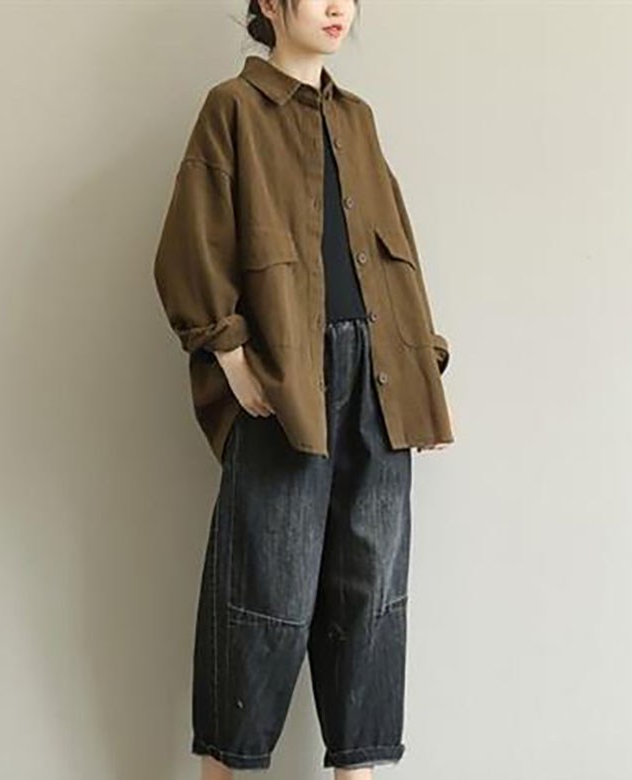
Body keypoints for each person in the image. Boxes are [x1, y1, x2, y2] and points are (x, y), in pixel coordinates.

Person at [152, 1, 455, 777]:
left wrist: (419, 368)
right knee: (262, 590)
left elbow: (397, 253)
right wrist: (231, 357)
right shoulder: (232, 108)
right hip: (286, 380)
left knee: (371, 591)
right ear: (267, 3)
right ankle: (224, 769)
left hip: (379, 381)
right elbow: (191, 242)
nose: (337, 7)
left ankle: (357, 771)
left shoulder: (358, 119)